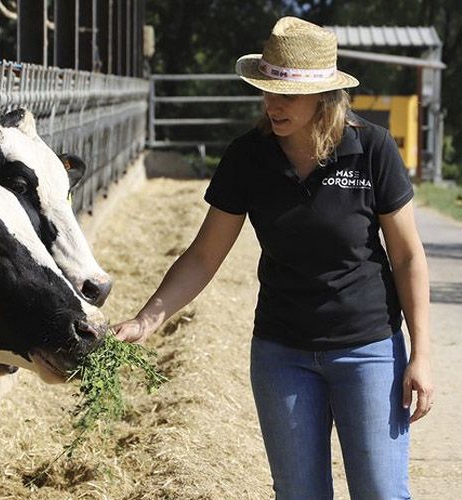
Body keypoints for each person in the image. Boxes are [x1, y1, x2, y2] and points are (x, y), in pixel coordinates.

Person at [113, 16, 433, 499]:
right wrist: (147, 320)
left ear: (323, 95)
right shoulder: (249, 156)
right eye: (266, 90)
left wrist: (421, 356)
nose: (272, 104)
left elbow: (408, 258)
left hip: (368, 349)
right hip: (282, 353)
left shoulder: (371, 148)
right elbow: (203, 256)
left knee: (382, 492)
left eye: (286, 94)